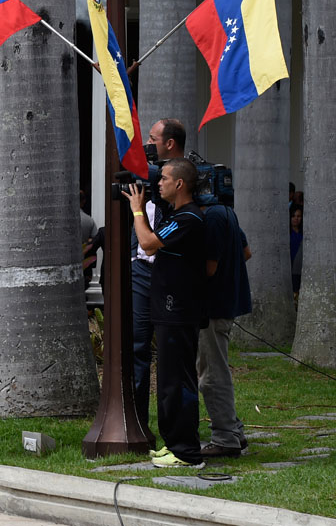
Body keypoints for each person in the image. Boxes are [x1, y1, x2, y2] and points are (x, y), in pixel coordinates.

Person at [124, 158, 208, 468]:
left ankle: (186, 451)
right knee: (169, 380)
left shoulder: (188, 218)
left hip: (178, 311)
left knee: (178, 381)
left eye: (165, 178)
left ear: (180, 184)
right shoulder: (178, 215)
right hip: (169, 309)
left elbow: (146, 244)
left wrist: (136, 207)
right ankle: (173, 442)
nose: (158, 183)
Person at [131, 117, 187, 428]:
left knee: (170, 352)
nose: (147, 145)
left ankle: (173, 426)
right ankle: (138, 423)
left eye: (152, 139)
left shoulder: (184, 178)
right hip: (140, 269)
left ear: (169, 143)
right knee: (137, 346)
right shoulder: (147, 176)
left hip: (167, 272)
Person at [197, 199, 252, 458]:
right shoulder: (227, 213)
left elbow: (209, 267)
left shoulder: (213, 218)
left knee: (212, 373)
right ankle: (233, 430)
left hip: (213, 309)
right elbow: (246, 252)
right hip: (223, 306)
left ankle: (226, 436)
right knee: (214, 369)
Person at [289, 203, 303, 295]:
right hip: (290, 267)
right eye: (293, 216)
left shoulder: (305, 233)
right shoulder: (287, 233)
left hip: (301, 268)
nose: (296, 218)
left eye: (298, 216)